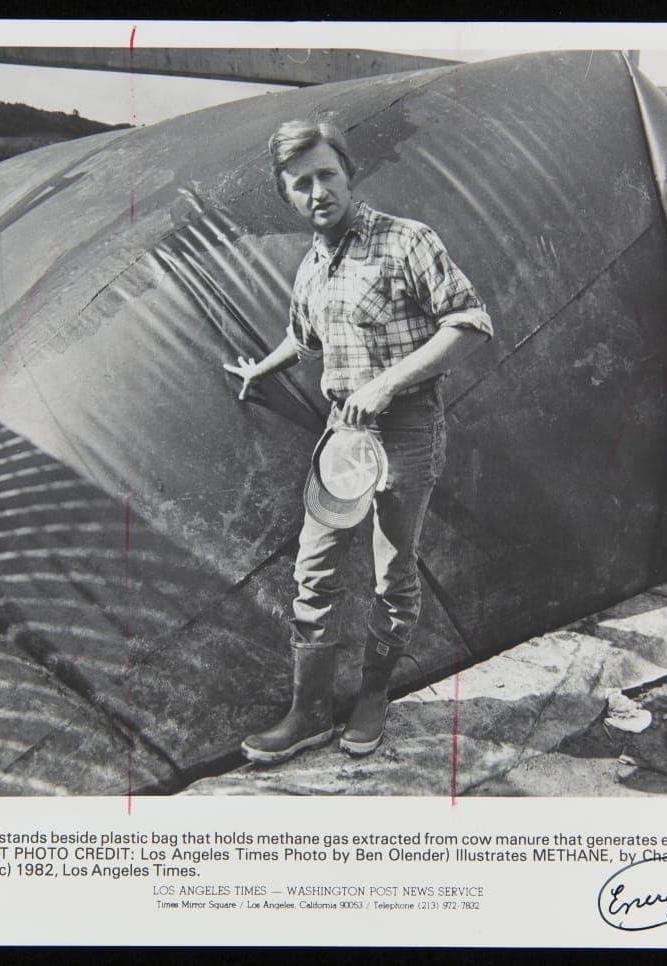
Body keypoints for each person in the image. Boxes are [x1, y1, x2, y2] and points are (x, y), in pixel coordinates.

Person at [224, 117, 493, 764]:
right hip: (342, 435)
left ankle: (373, 697)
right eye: (300, 184)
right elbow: (305, 337)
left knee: (392, 574)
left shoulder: (406, 241)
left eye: (326, 175)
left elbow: (470, 321)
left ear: (348, 174)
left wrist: (388, 383)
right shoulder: (311, 268)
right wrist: (262, 369)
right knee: (313, 570)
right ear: (287, 195)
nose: (317, 192)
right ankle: (309, 713)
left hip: (406, 428)